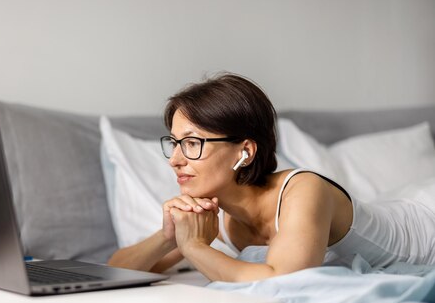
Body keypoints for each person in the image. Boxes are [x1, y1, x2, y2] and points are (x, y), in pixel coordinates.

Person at [107, 73, 435, 282]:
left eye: (192, 143)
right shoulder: (212, 214)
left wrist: (193, 247)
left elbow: (280, 279)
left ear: (245, 152)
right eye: (175, 143)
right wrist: (168, 236)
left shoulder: (304, 190)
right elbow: (114, 270)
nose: (175, 160)